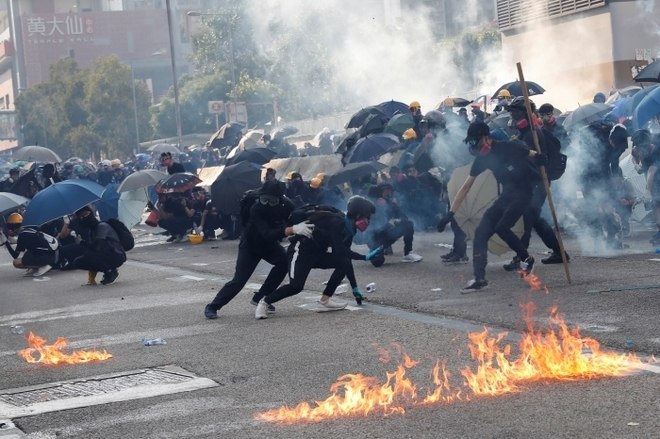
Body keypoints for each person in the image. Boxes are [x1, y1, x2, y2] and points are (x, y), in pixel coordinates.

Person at [437, 122, 544, 292]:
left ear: (486, 137)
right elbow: (466, 187)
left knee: (502, 227)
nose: (473, 147)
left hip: (523, 194)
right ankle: (479, 279)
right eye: (470, 143)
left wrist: (539, 158)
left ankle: (526, 259)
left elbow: (531, 154)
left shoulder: (508, 147)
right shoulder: (482, 159)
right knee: (481, 233)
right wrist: (450, 214)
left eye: (474, 142)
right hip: (507, 196)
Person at [255, 196, 381, 319]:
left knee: (344, 262)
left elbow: (344, 256)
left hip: (318, 254)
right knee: (296, 286)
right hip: (301, 252)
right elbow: (340, 250)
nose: (368, 221)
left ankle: (325, 301)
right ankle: (264, 301)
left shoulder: (349, 229)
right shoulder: (336, 222)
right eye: (367, 217)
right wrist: (364, 257)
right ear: (358, 215)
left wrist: (354, 287)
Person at [204, 180, 310, 320]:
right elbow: (266, 233)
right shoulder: (256, 208)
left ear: (280, 199)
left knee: (284, 263)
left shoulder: (287, 205)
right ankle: (213, 306)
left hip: (269, 246)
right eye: (263, 199)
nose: (266, 203)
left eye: (271, 201)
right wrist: (290, 230)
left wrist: (300, 226)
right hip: (250, 246)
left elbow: (294, 219)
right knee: (239, 280)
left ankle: (261, 297)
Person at [367, 182, 422, 264]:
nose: (388, 194)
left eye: (389, 191)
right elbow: (371, 225)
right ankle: (377, 249)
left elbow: (404, 217)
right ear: (380, 193)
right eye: (385, 191)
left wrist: (397, 220)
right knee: (377, 262)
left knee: (408, 224)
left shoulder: (391, 204)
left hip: (388, 235)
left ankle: (408, 253)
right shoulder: (372, 205)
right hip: (375, 239)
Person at [71, 206, 126, 285]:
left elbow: (98, 247)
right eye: (81, 216)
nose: (83, 218)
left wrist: (82, 243)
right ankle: (108, 270)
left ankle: (110, 272)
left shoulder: (102, 226)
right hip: (107, 254)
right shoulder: (91, 230)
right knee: (78, 261)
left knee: (90, 255)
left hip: (117, 255)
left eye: (86, 214)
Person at [0, 213, 57, 277]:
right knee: (27, 254)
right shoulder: (29, 229)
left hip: (47, 257)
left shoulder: (22, 236)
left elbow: (15, 255)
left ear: (13, 227)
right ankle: (35, 267)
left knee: (16, 262)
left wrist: (6, 242)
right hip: (50, 253)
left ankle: (44, 265)